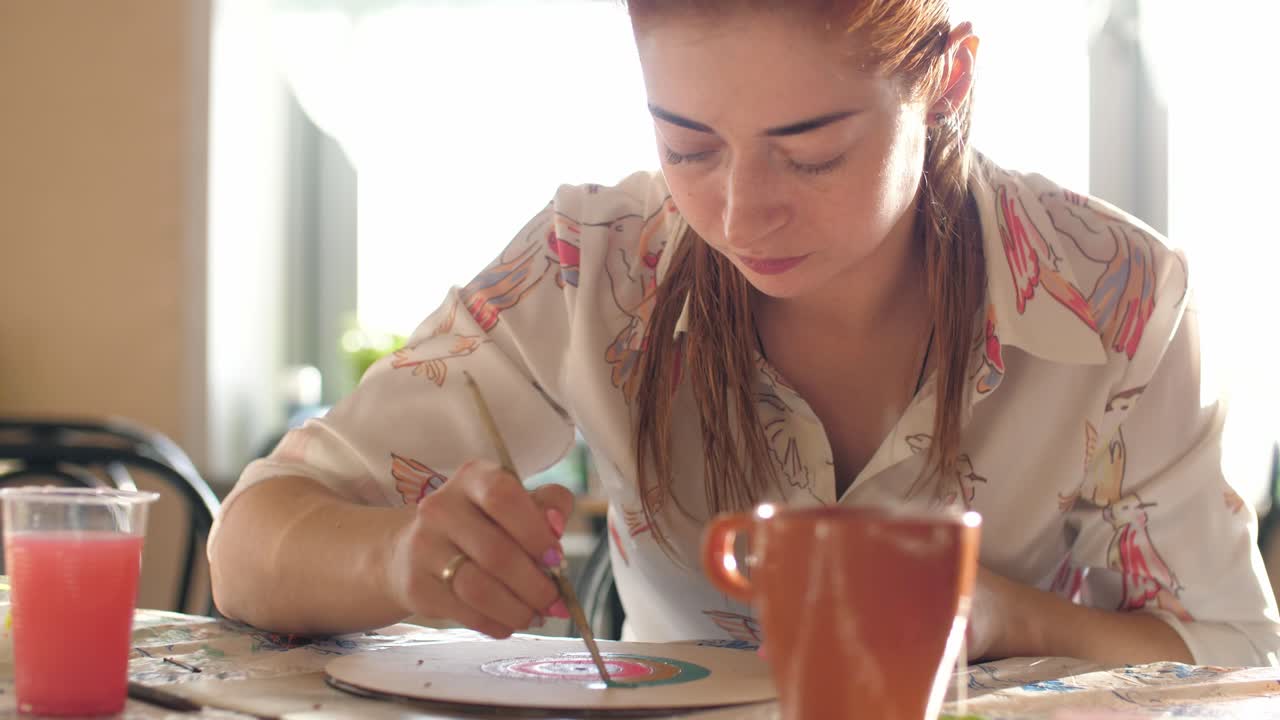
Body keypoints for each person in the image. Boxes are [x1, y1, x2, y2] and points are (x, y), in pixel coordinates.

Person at [208, 0, 1280, 668]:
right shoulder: (596, 266)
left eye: (809, 153)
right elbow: (246, 547)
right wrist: (399, 558)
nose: (737, 214)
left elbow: (1237, 658)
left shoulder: (1118, 300)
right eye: (687, 147)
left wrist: (999, 616)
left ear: (945, 78)